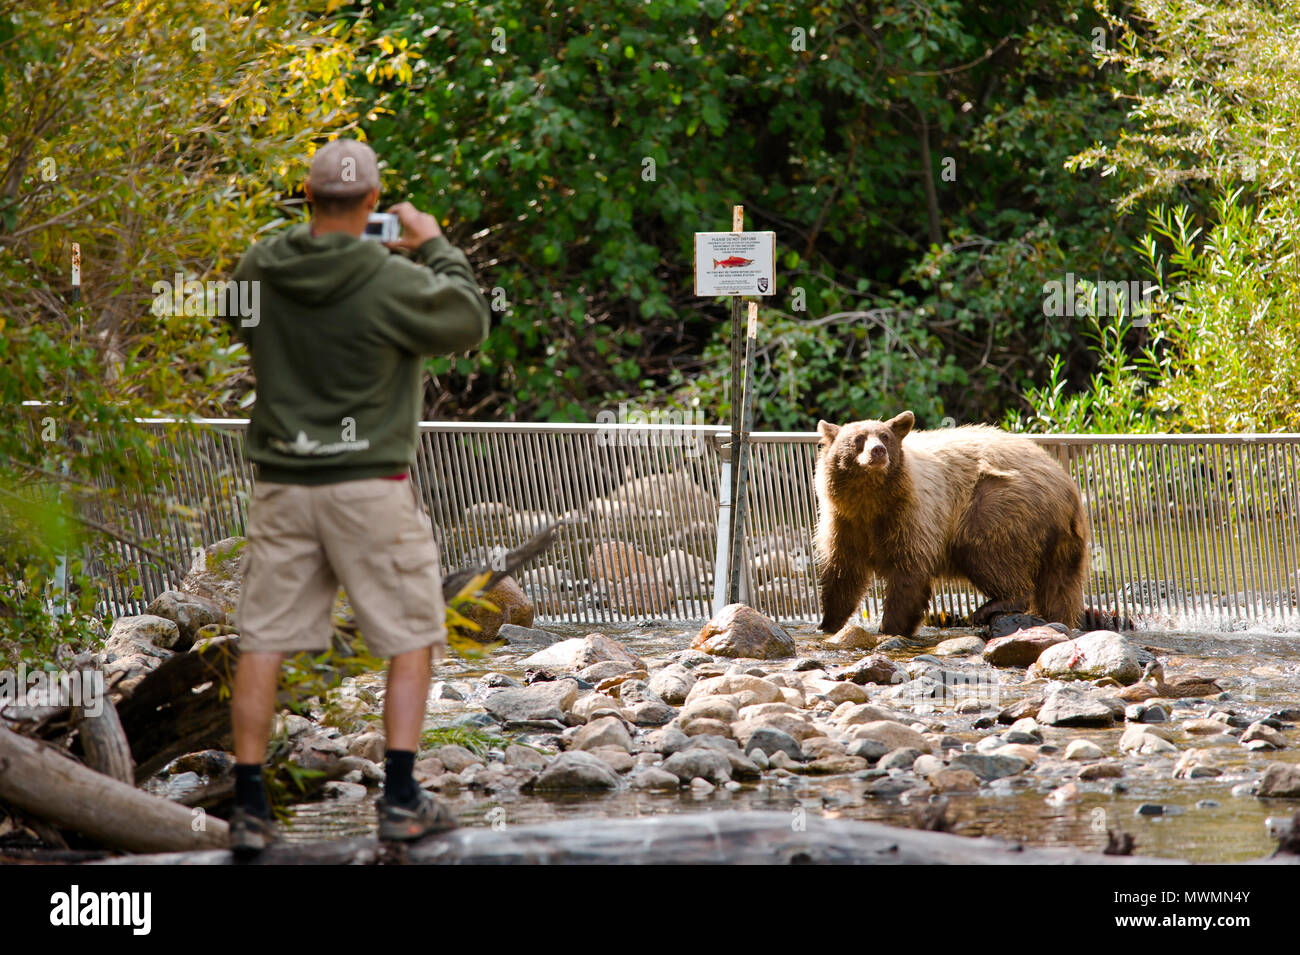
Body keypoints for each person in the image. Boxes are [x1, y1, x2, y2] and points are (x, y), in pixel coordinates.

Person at [223, 139, 490, 852]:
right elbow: (467, 320)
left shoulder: (261, 264)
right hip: (371, 486)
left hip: (284, 481)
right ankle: (400, 798)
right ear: (373, 204)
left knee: (264, 640)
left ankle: (248, 809)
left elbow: (236, 316)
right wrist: (433, 246)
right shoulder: (390, 277)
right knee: (410, 634)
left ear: (306, 199)